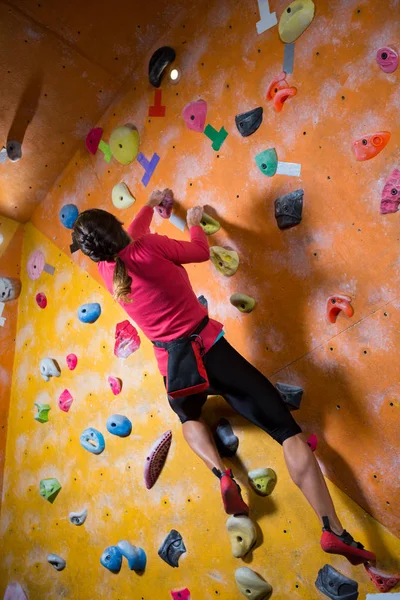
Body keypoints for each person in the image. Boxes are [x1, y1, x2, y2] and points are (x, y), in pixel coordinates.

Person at [71, 190, 375, 566]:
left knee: (188, 418)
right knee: (288, 434)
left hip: (176, 370)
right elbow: (200, 252)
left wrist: (150, 206)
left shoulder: (107, 272)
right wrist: (195, 222)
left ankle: (221, 473)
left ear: (95, 252)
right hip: (212, 353)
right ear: (117, 230)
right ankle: (332, 528)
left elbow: (126, 240)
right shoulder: (150, 247)